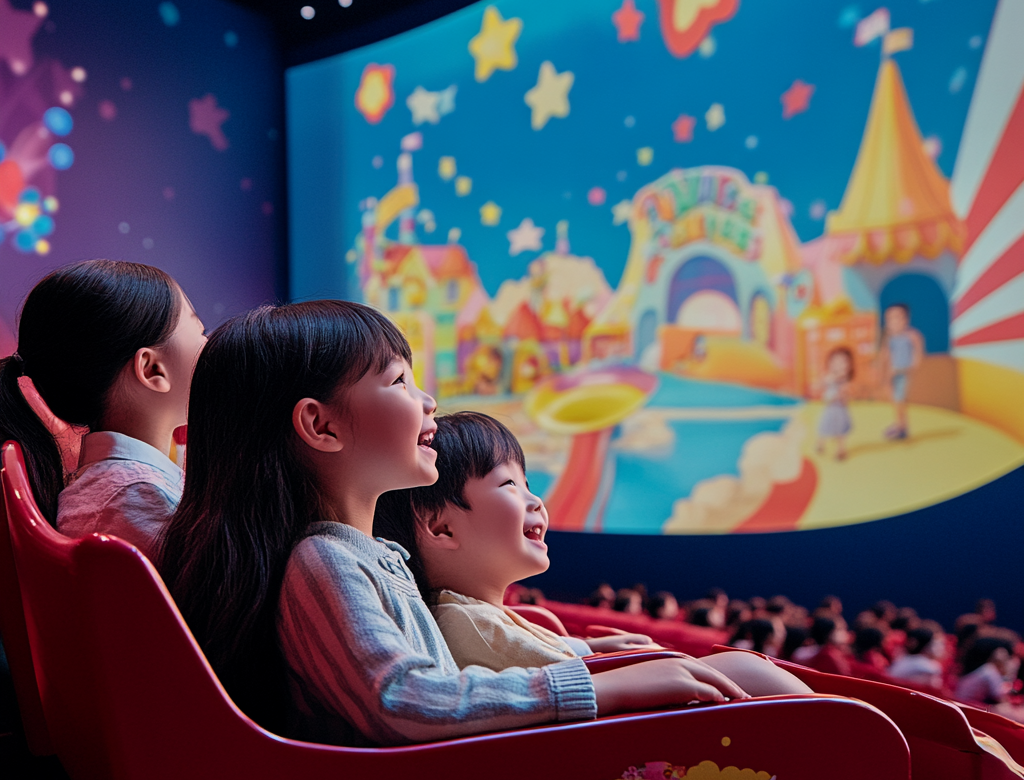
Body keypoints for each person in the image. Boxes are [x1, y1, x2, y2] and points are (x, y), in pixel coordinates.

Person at [159, 303, 758, 744]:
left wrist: (584, 650)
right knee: (741, 679)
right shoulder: (324, 560)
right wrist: (599, 686)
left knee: (739, 674)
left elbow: (447, 660)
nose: (428, 402)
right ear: (321, 426)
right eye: (399, 381)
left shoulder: (365, 556)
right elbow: (403, 698)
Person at [375, 412, 810, 700]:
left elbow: (527, 654)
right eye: (509, 485)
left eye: (528, 485)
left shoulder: (472, 616)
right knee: (743, 670)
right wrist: (595, 657)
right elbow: (551, 683)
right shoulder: (465, 623)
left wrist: (585, 646)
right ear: (442, 529)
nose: (535, 501)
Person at [0, 260, 206, 556]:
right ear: (152, 370)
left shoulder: (130, 486)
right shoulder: (134, 496)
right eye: (201, 332)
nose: (210, 346)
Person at [877, 304, 923, 441]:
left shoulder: (912, 336)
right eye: (889, 319)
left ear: (906, 319)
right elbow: (886, 353)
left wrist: (908, 367)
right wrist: (881, 366)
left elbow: (917, 355)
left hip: (903, 372)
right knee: (894, 399)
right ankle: (900, 425)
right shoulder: (890, 337)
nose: (893, 322)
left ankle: (901, 427)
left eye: (897, 318)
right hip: (891, 372)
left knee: (899, 399)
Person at [955, 637, 1020, 709]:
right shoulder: (990, 671)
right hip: (964, 705)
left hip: (966, 703)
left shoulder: (989, 669)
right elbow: (1001, 697)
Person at [816, 347, 854, 460]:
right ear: (830, 364)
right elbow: (818, 386)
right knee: (824, 427)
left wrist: (843, 395)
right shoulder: (828, 377)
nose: (839, 366)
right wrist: (825, 382)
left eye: (844, 362)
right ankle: (820, 443)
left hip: (840, 410)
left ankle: (840, 450)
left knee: (840, 431)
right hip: (829, 409)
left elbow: (847, 396)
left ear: (849, 366)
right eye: (836, 362)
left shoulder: (845, 381)